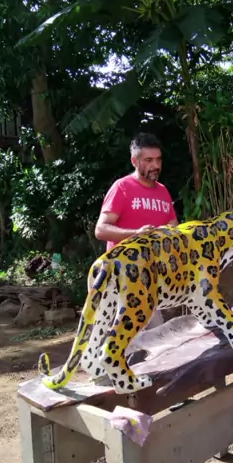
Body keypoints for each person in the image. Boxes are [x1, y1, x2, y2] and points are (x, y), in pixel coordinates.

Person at [95, 132, 178, 327]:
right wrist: (135, 234)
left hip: (152, 279)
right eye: (149, 160)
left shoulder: (163, 191)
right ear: (134, 161)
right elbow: (100, 230)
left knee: (152, 336)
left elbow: (174, 227)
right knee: (145, 335)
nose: (155, 165)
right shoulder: (122, 187)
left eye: (158, 159)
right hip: (123, 277)